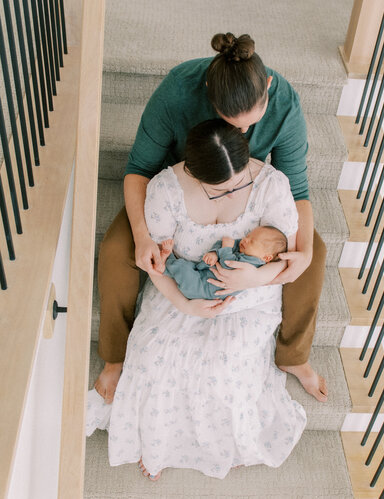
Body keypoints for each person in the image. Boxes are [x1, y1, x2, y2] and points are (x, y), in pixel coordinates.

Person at [95, 32, 328, 404]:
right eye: (231, 121)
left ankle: (293, 356)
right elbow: (138, 167)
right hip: (180, 185)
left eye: (253, 122)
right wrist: (141, 234)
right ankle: (115, 357)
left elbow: (297, 186)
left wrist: (303, 253)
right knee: (117, 251)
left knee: (312, 253)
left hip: (247, 189)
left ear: (267, 87)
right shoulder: (176, 92)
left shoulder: (286, 105)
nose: (243, 132)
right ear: (209, 94)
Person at [86, 119, 307, 481]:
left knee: (223, 371)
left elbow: (285, 258)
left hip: (248, 297)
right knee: (156, 363)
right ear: (194, 172)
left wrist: (252, 277)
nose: (233, 192)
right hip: (180, 289)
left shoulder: (270, 185)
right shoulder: (165, 190)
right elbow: (156, 264)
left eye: (239, 181)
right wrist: (184, 304)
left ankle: (226, 442)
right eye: (220, 188)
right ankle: (159, 443)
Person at [158, 225, 288, 300]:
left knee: (183, 269)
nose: (245, 239)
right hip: (203, 275)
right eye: (248, 235)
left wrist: (226, 247)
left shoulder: (253, 264)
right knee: (185, 266)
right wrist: (214, 253)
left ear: (266, 258)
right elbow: (225, 245)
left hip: (202, 289)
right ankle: (166, 261)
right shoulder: (244, 249)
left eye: (252, 241)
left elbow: (228, 267)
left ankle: (163, 264)